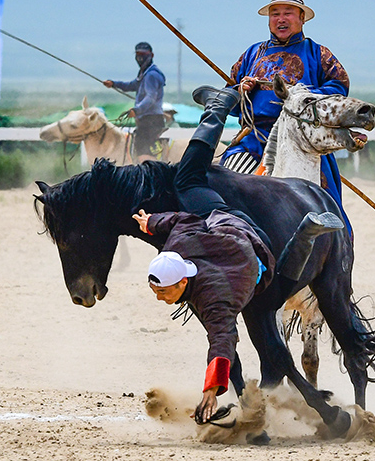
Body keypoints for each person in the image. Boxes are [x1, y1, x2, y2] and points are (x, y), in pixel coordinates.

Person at [133, 85, 342, 424]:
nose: (160, 298)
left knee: (280, 286)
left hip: (255, 259)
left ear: (182, 281)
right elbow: (178, 220)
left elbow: (222, 340)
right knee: (186, 181)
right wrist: (150, 222)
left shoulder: (213, 297)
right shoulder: (181, 242)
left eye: (163, 292)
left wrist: (211, 391)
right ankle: (217, 110)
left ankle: (306, 232)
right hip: (227, 221)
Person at [221, 0, 353, 233]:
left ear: (302, 17)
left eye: (288, 12)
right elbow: (228, 94)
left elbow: (340, 88)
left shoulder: (318, 54)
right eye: (275, 13)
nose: (281, 18)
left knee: (328, 209)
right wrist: (241, 89)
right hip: (255, 140)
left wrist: (302, 95)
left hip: (303, 141)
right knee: (222, 186)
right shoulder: (252, 54)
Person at [103, 42, 166, 162]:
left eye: (143, 54)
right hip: (147, 119)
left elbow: (150, 98)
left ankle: (149, 172)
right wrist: (114, 84)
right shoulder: (144, 74)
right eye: (138, 54)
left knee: (142, 149)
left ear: (151, 55)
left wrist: (137, 110)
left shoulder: (151, 75)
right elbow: (131, 85)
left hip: (151, 120)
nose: (140, 58)